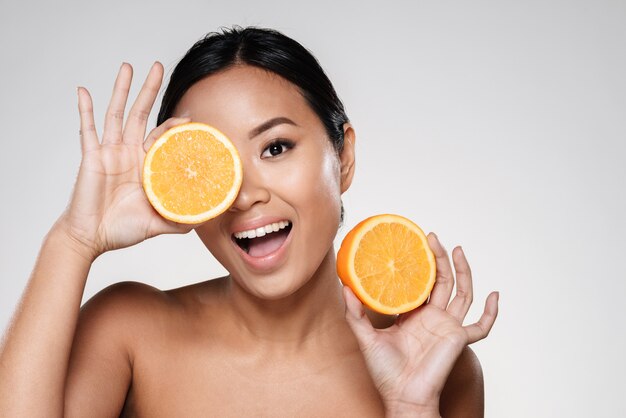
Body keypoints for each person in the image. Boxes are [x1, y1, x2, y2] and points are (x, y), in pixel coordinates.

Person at [0, 27, 498, 417]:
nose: (244, 195)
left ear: (343, 156)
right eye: (213, 167)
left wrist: (409, 409)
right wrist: (74, 238)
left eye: (275, 147)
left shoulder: (432, 363)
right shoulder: (129, 333)